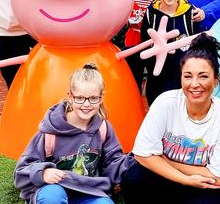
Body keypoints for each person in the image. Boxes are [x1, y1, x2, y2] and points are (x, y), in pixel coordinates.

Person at [121, 33, 220, 204]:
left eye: (203, 76)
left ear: (215, 80)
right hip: (168, 177)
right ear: (181, 78)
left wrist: (164, 159)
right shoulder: (165, 102)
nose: (194, 84)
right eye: (188, 76)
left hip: (202, 186)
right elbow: (142, 156)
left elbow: (218, 177)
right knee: (134, 179)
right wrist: (185, 179)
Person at [14, 64, 135, 204]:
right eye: (80, 98)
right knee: (52, 196)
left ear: (101, 98)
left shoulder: (103, 128)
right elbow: (21, 171)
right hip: (56, 188)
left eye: (93, 98)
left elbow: (113, 163)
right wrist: (42, 172)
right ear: (70, 97)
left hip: (89, 190)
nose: (86, 104)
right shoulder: (50, 132)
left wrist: (136, 158)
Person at [140, 0, 199, 105]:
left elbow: (198, 44)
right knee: (157, 110)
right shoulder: (151, 13)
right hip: (157, 77)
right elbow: (144, 42)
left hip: (183, 76)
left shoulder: (190, 13)